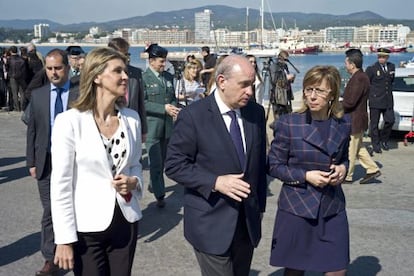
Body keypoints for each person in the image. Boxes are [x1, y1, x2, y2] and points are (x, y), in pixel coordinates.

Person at [165, 55, 267, 276]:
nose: (250, 91)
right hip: (209, 222)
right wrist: (215, 182)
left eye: (252, 84)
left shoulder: (256, 113)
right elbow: (174, 164)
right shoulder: (193, 115)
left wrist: (259, 209)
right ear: (222, 81)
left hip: (246, 223)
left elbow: (258, 165)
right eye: (244, 85)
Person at [50, 47, 144, 275]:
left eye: (125, 70)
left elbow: (135, 165)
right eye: (118, 71)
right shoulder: (69, 122)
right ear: (97, 76)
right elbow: (61, 184)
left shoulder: (131, 119)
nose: (125, 76)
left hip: (125, 220)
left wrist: (134, 182)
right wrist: (63, 238)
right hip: (86, 227)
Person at [268, 65, 351, 275]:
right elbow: (273, 165)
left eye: (319, 91)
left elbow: (345, 158)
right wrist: (305, 176)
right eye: (308, 89)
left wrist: (343, 168)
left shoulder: (343, 124)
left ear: (332, 94)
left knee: (337, 269)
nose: (312, 96)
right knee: (295, 270)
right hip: (298, 207)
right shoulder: (289, 123)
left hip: (332, 206)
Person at [26, 48, 80, 276]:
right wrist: (31, 160)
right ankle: (50, 258)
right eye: (49, 68)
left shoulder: (80, 94)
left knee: (75, 207)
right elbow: (33, 131)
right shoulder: (38, 95)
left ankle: (76, 250)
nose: (53, 73)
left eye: (58, 68)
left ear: (67, 67)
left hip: (75, 163)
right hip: (46, 163)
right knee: (50, 210)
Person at [142, 43, 179, 208]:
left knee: (162, 162)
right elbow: (142, 103)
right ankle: (160, 195)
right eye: (161, 61)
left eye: (165, 61)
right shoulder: (143, 79)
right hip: (152, 128)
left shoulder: (169, 78)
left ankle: (154, 183)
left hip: (167, 127)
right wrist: (162, 109)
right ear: (151, 61)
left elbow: (172, 97)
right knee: (156, 164)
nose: (164, 65)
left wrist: (172, 107)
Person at [342, 49, 381, 184]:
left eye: (346, 63)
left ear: (352, 64)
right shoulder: (360, 76)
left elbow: (351, 101)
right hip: (357, 118)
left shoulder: (359, 78)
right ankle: (372, 169)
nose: (345, 65)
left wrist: (336, 107)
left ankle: (347, 176)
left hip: (355, 119)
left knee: (351, 149)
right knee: (359, 148)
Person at [108, 37, 148, 141]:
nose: (125, 58)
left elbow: (140, 103)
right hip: (111, 125)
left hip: (132, 124)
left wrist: (143, 130)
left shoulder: (135, 73)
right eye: (121, 55)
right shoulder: (104, 74)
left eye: (126, 54)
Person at [365, 47, 395, 153]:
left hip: (387, 100)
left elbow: (390, 82)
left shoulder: (391, 67)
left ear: (387, 57)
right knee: (374, 125)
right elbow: (366, 84)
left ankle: (384, 140)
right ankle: (376, 145)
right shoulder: (372, 69)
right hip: (376, 100)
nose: (381, 59)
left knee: (390, 120)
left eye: (383, 57)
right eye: (380, 57)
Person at [269, 50, 295, 122]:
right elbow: (274, 81)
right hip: (278, 96)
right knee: (279, 117)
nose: (286, 61)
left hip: (286, 94)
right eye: (285, 59)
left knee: (288, 115)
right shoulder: (274, 67)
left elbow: (286, 77)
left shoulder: (285, 66)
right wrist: (287, 78)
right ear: (280, 58)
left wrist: (291, 78)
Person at [8, 45, 28, 111]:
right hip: (21, 77)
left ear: (11, 51)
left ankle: (17, 107)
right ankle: (22, 107)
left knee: (14, 93)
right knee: (22, 92)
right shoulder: (22, 59)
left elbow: (7, 67)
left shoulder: (10, 59)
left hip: (13, 77)